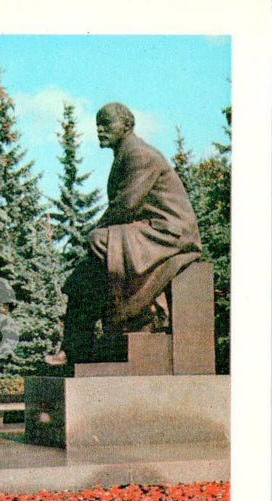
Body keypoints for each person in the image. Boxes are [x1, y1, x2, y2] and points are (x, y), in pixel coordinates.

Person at [47, 103, 202, 366]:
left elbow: (125, 205)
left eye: (107, 123)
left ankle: (134, 314)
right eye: (98, 124)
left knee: (99, 242)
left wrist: (95, 232)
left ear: (127, 125)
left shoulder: (140, 154)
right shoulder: (125, 153)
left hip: (168, 232)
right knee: (83, 276)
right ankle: (74, 347)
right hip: (148, 229)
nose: (100, 129)